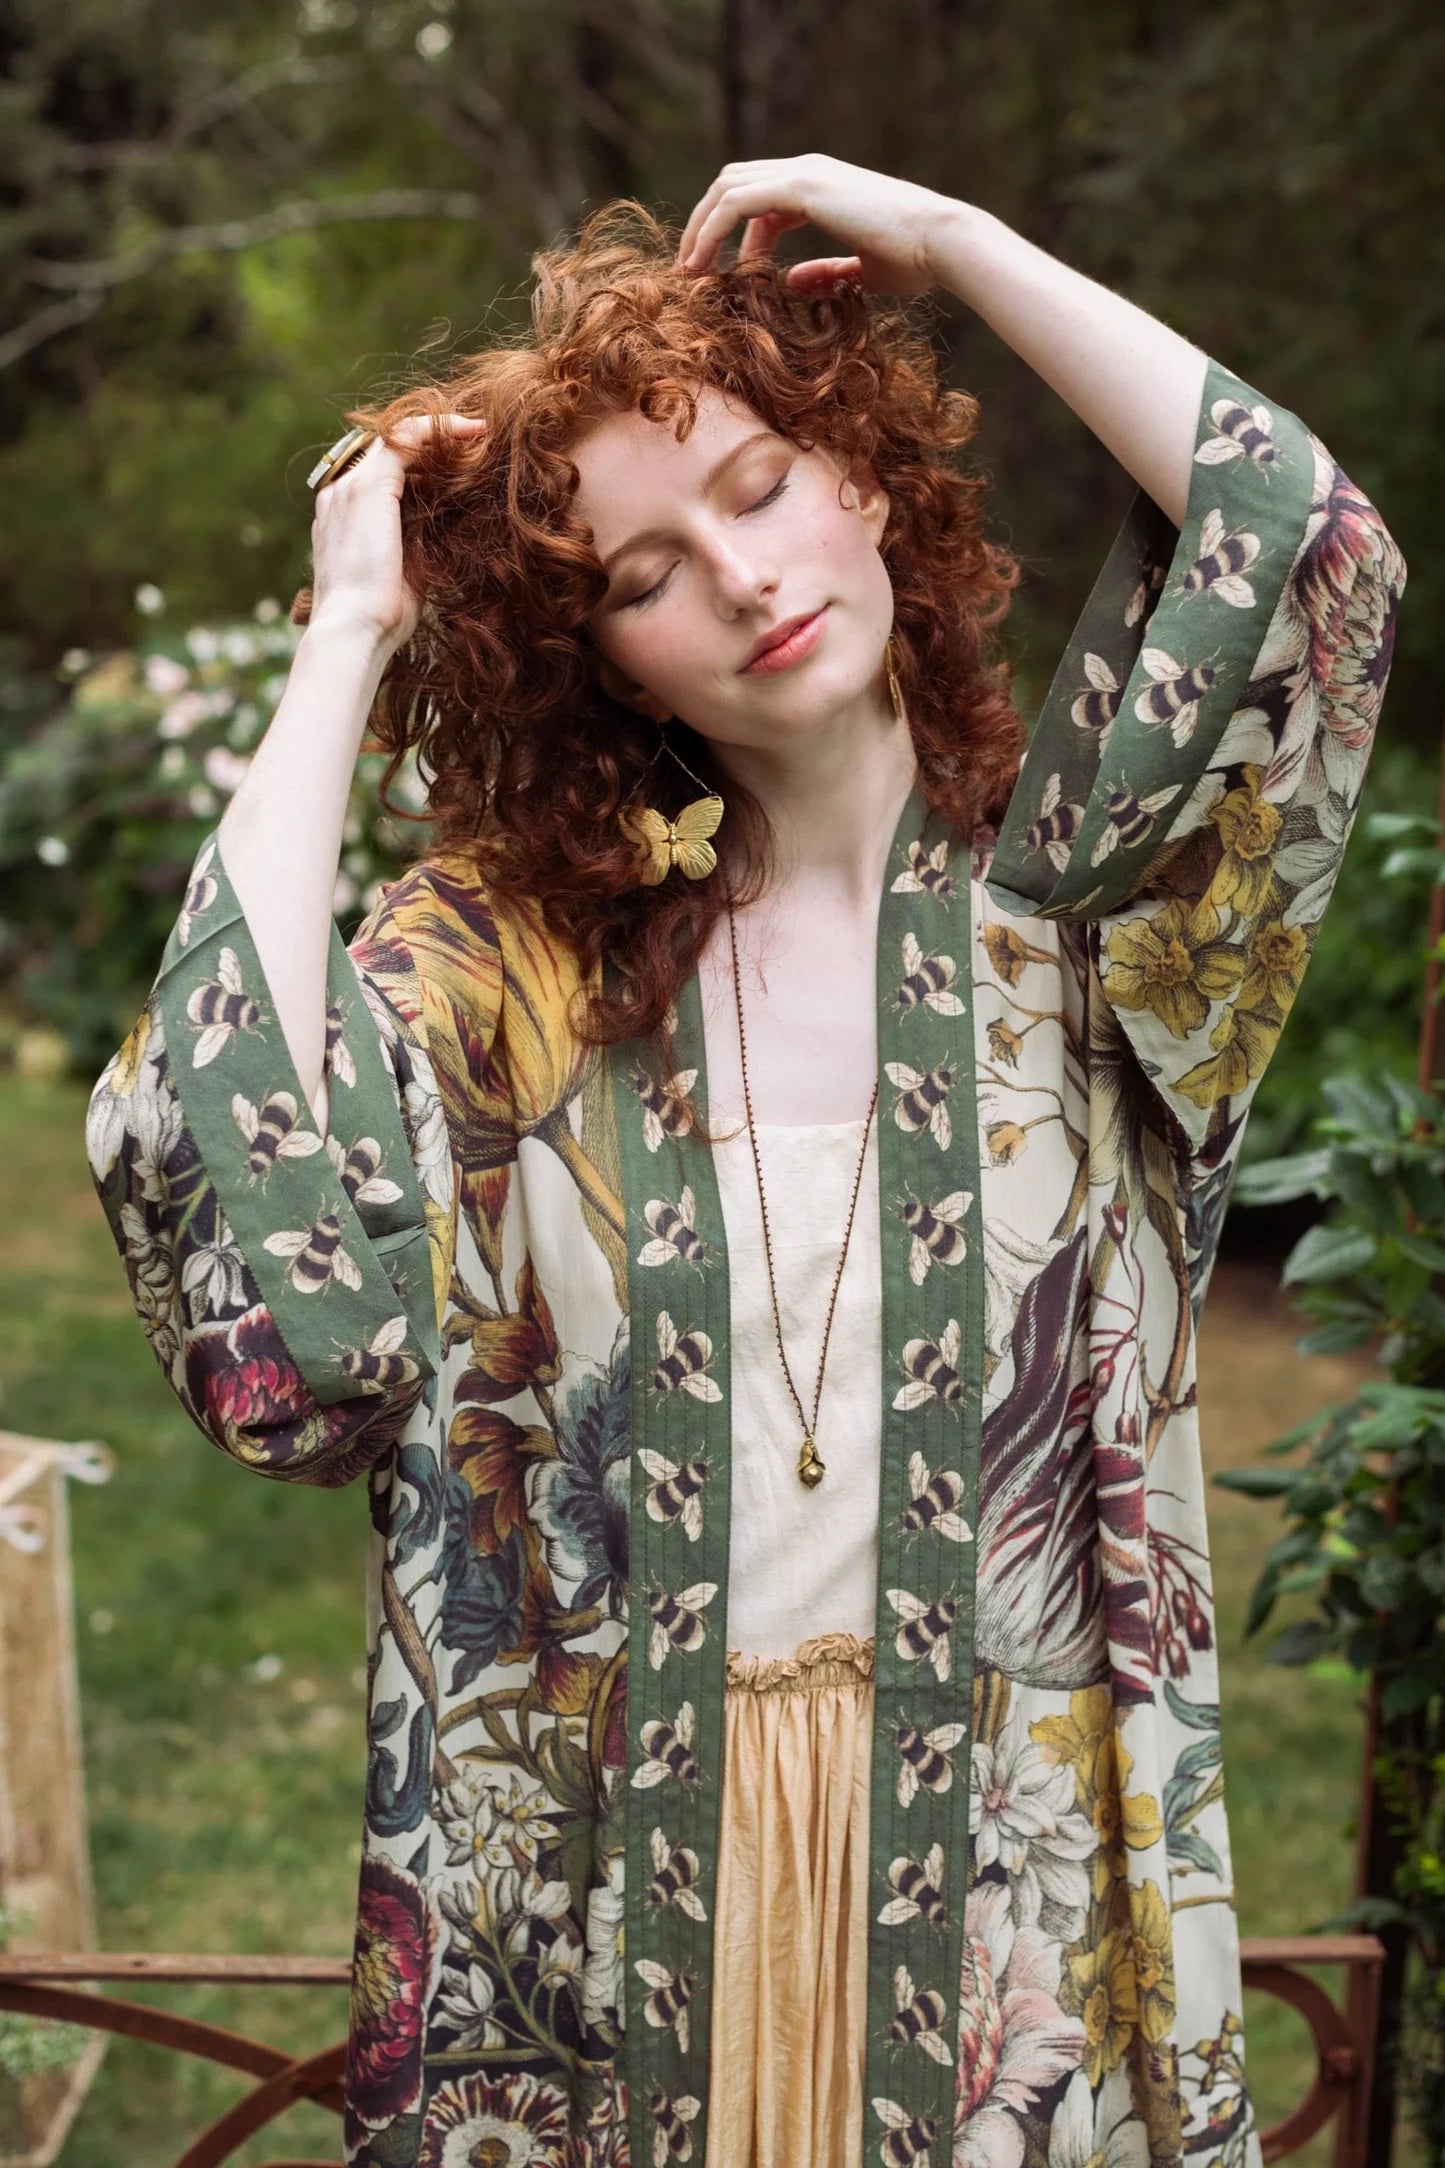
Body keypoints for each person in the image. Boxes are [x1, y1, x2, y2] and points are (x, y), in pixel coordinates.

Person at [85, 155, 1405, 2168]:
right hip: (606, 1961)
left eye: (762, 484)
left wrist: (955, 248)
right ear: (607, 655)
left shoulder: (1096, 941)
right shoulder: (524, 985)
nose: (737, 575)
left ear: (862, 480)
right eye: (642, 573)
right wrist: (348, 628)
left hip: (1014, 1966)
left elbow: (1310, 559)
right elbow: (241, 1241)